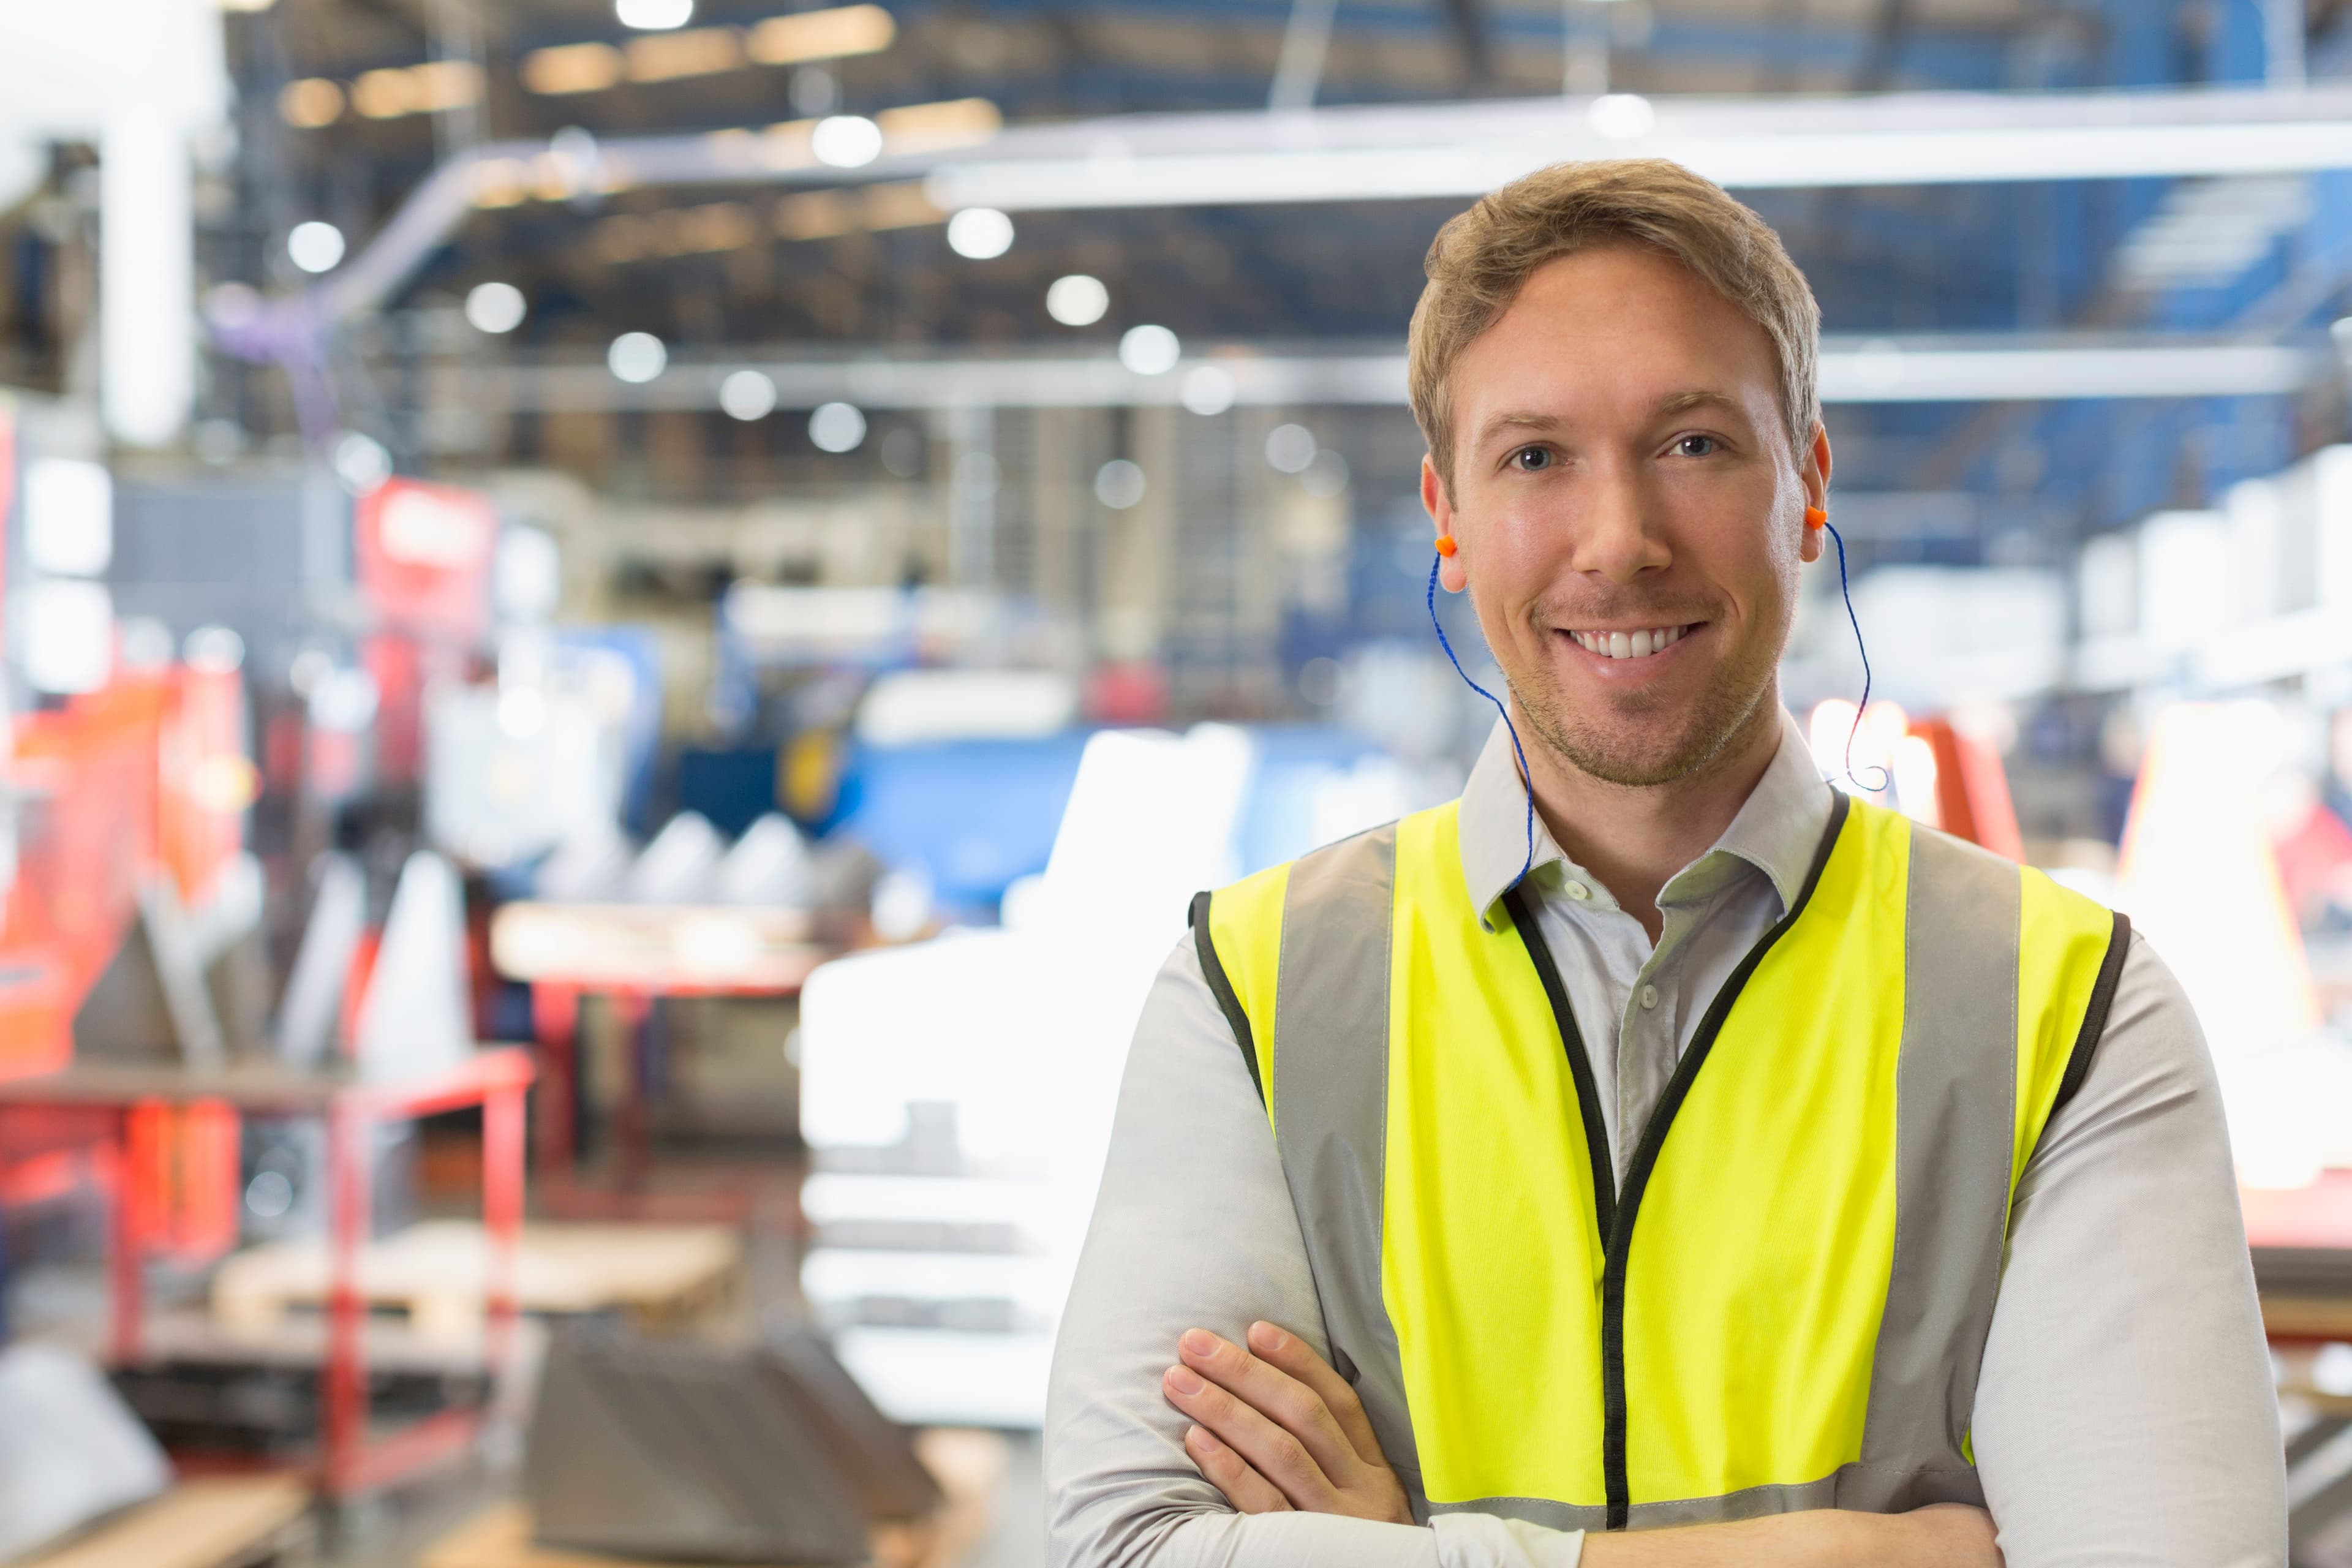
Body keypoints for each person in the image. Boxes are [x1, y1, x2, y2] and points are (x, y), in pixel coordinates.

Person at [1042, 158, 2285, 1567]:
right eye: (1534, 456)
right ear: (1449, 514)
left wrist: (1412, 1550)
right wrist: (1866, 1555)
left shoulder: (2070, 1008)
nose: (1619, 540)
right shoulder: (1250, 990)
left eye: (1692, 443)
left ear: (1807, 481)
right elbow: (1126, 1549)